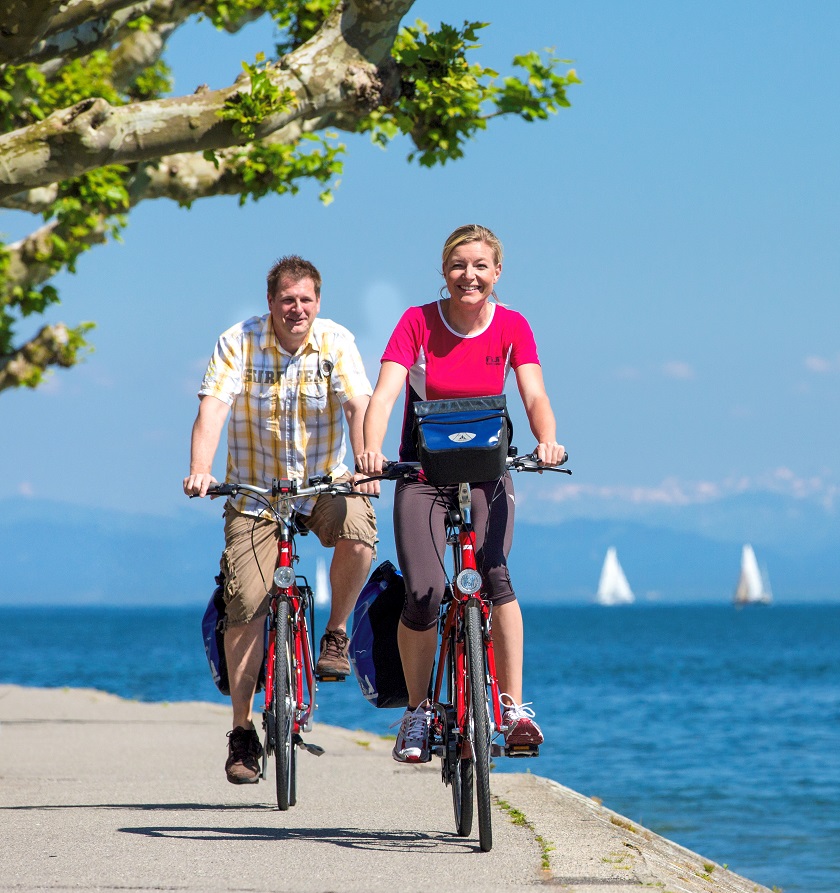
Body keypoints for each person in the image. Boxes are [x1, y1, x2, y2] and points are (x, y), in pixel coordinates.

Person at [356, 224, 564, 763]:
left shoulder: (512, 325)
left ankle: (513, 707)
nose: (468, 276)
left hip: (487, 474)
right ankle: (419, 712)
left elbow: (534, 390)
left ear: (497, 273)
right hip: (423, 476)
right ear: (443, 271)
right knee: (424, 591)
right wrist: (370, 453)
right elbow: (384, 393)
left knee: (494, 577)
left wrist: (547, 441)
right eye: (457, 266)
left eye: (479, 266)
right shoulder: (417, 323)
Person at [184, 256, 378, 785]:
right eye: (287, 300)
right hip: (255, 496)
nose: (297, 309)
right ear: (270, 302)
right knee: (246, 600)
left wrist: (365, 462)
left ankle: (335, 634)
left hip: (322, 486)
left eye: (306, 300)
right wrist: (201, 470)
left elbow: (359, 405)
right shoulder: (238, 342)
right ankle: (243, 729)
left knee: (360, 531)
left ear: (319, 302)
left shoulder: (336, 341)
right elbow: (213, 409)